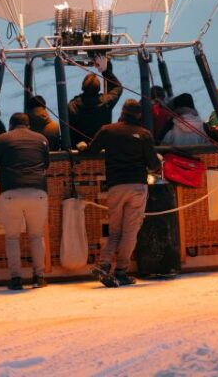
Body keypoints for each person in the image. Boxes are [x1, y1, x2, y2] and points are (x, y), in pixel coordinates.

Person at [83, 99, 161, 287]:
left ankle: (104, 264)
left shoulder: (108, 130)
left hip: (115, 186)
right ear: (139, 115)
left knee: (115, 231)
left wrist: (81, 147)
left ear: (123, 112)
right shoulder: (144, 134)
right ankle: (121, 271)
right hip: (136, 187)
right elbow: (153, 165)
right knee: (130, 232)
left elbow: (90, 151)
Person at [0, 113, 51, 290]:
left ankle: (16, 279)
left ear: (11, 124)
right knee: (36, 236)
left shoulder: (3, 139)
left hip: (11, 191)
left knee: (12, 237)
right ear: (28, 125)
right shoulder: (41, 138)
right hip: (38, 191)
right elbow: (46, 164)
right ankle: (39, 277)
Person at [68, 59, 123, 147]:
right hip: (102, 149)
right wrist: (105, 72)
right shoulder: (106, 102)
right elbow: (118, 87)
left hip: (79, 151)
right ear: (98, 88)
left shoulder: (72, 105)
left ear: (83, 87)